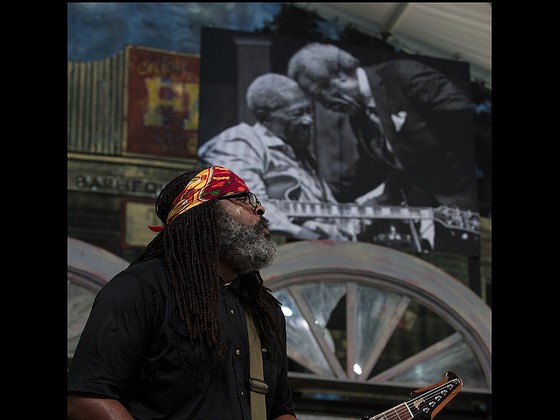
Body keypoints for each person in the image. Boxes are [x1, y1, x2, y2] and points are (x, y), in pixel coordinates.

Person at [67, 165, 298, 420]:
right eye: (242, 198)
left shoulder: (265, 309)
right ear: (202, 213)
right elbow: (87, 398)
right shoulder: (139, 290)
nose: (259, 208)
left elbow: (280, 410)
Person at [287, 42, 479, 213]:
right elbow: (370, 169)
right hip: (428, 207)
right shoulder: (358, 114)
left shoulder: (403, 75)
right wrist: (326, 197)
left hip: (465, 197)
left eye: (319, 94)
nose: (324, 106)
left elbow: (467, 121)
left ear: (339, 76)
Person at [198, 72, 356, 241]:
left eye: (309, 112)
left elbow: (330, 212)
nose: (308, 120)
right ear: (266, 117)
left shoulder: (301, 155)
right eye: (297, 113)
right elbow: (245, 202)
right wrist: (301, 232)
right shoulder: (239, 141)